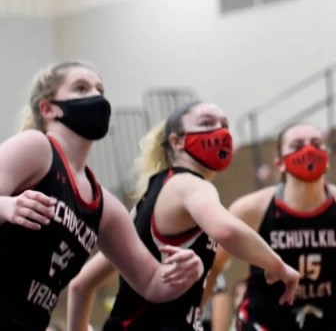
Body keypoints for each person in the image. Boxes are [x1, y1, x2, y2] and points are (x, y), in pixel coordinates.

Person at [0, 61, 204, 331]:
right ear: (48, 108)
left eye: (100, 89)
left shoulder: (106, 207)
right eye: (81, 88)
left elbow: (151, 283)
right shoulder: (36, 147)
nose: (95, 96)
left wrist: (187, 271)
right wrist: (6, 206)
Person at [67, 100, 299, 330]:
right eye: (207, 123)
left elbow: (80, 285)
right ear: (177, 141)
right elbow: (227, 230)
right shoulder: (189, 184)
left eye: (225, 125)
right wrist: (278, 266)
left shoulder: (146, 201)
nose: (220, 131)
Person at [219, 122, 336, 331]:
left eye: (316, 143)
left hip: (324, 323)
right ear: (279, 163)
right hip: (263, 322)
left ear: (327, 157)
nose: (309, 150)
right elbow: (213, 266)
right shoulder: (250, 209)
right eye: (297, 145)